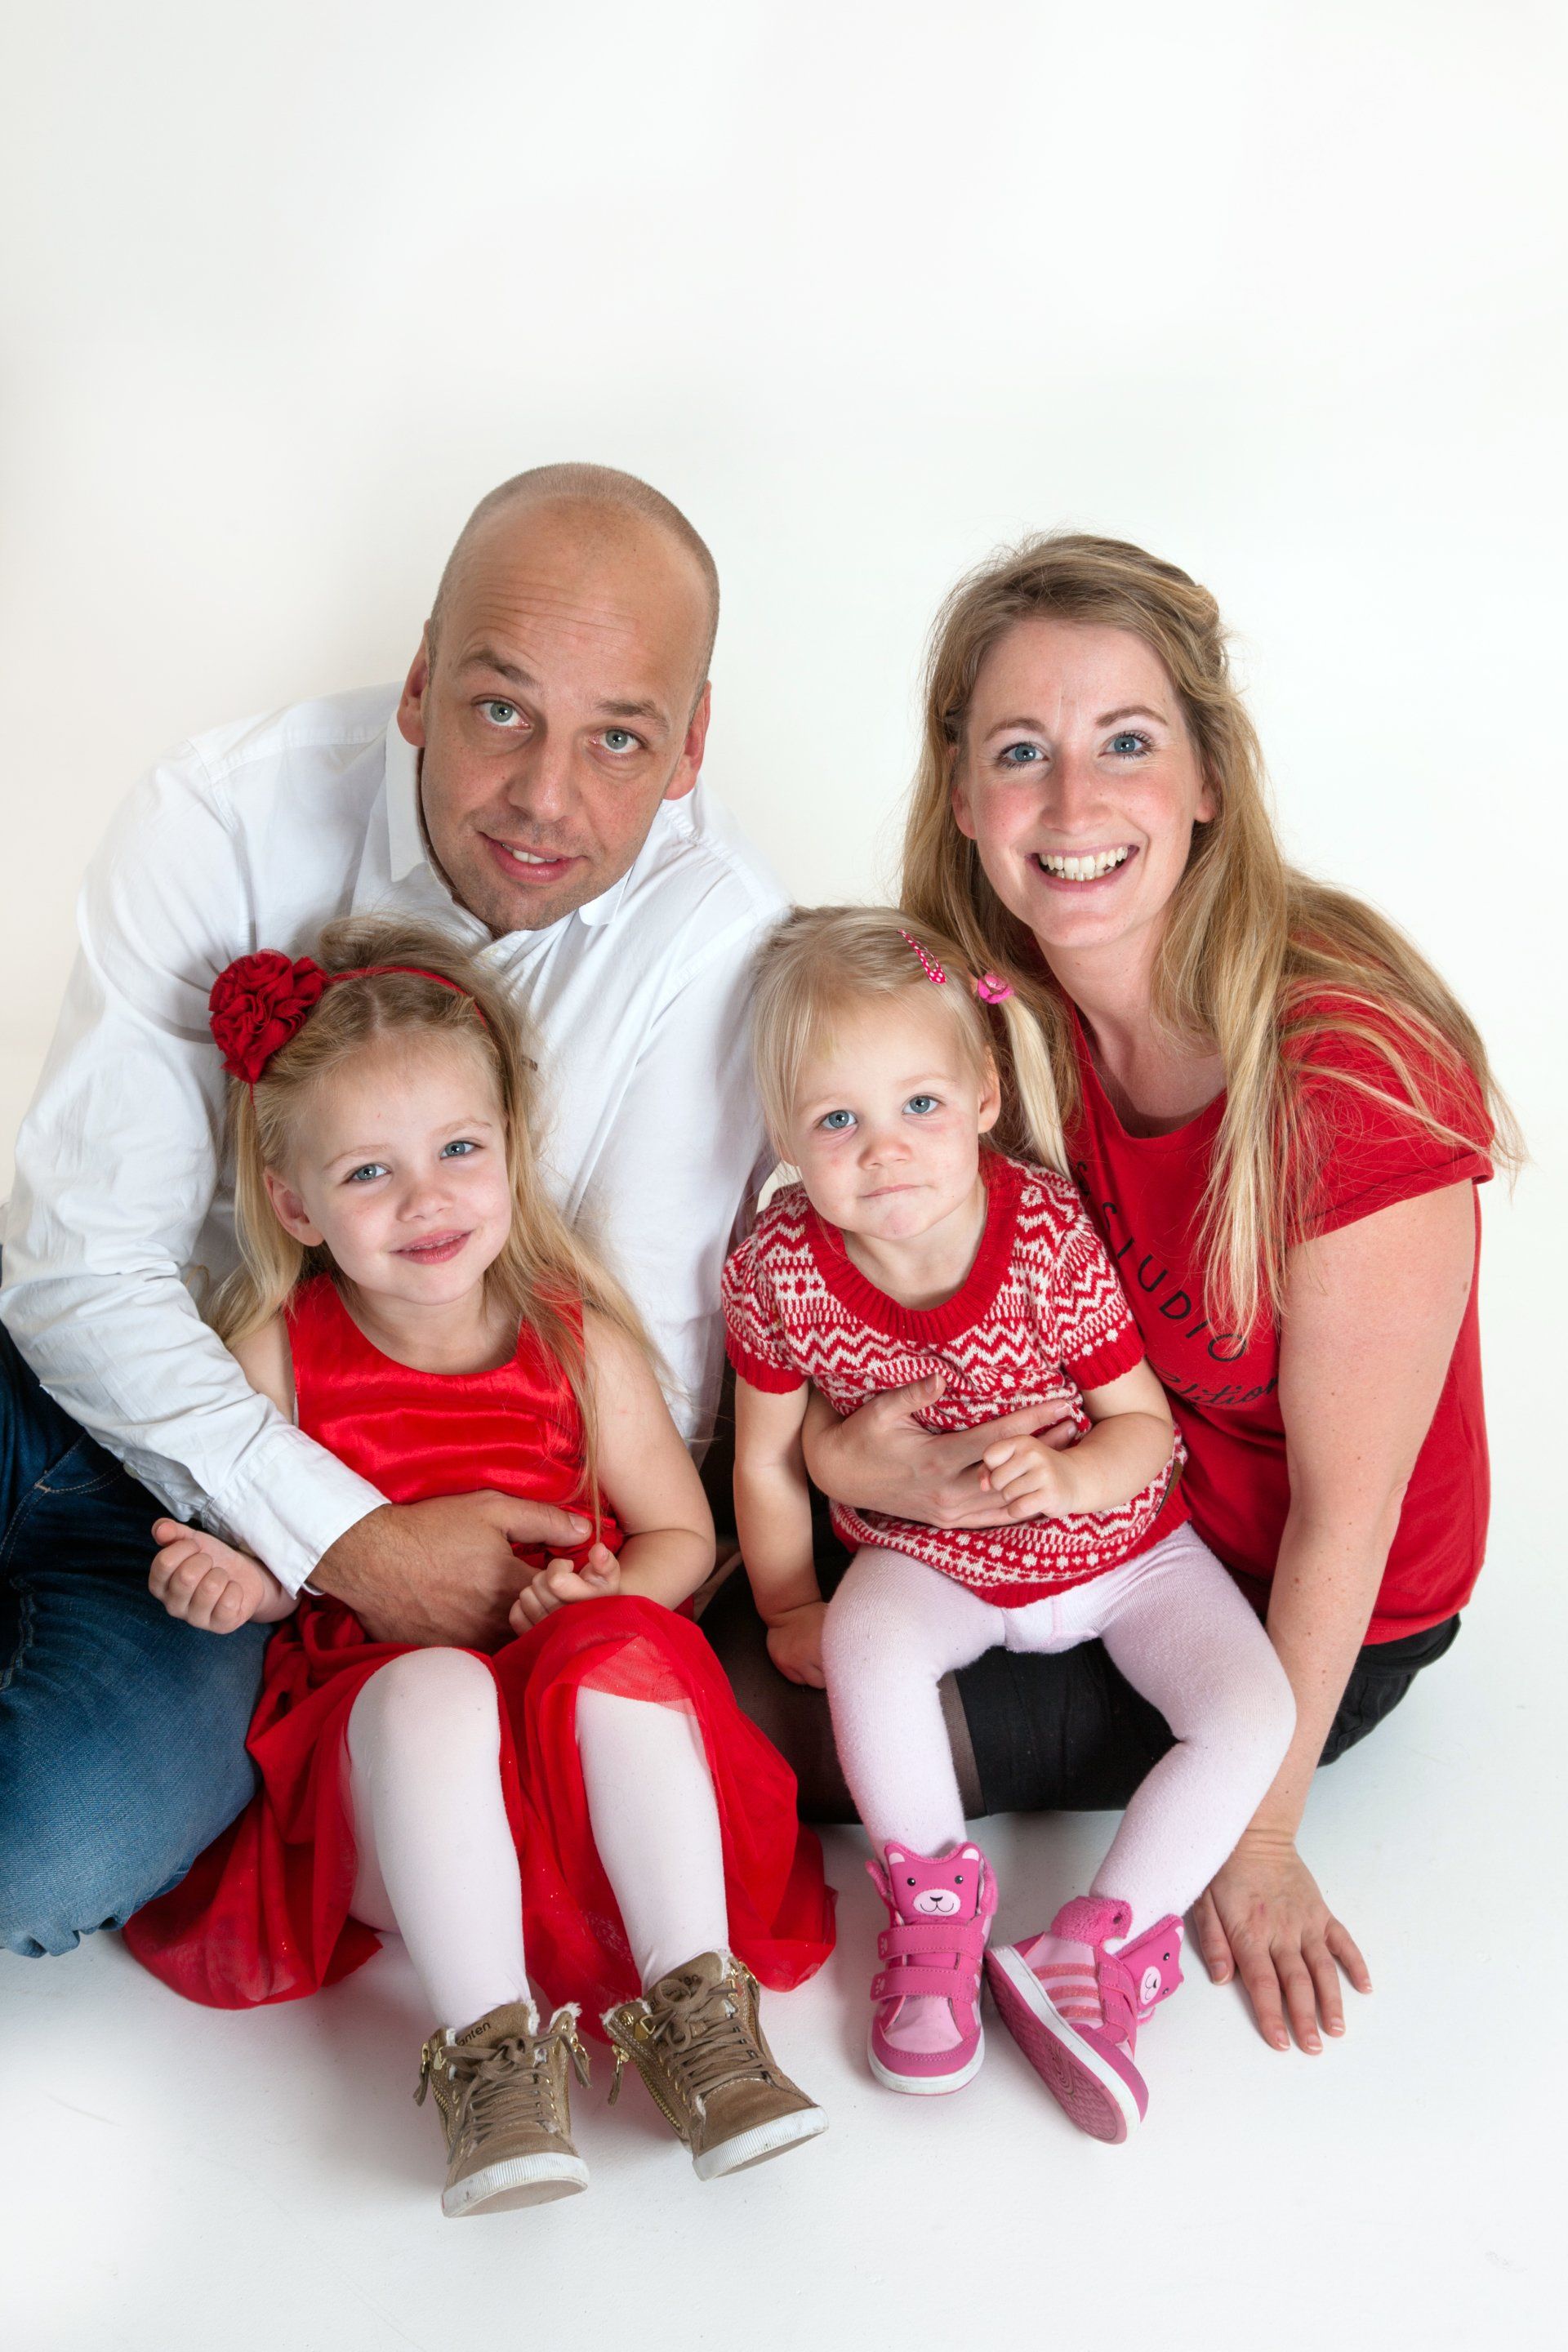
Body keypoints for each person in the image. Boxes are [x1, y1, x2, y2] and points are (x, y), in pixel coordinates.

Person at [710, 532, 1506, 2061]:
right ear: (963, 797)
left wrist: (1256, 1838)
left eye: (1126, 743)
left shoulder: (1350, 1073)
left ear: (1209, 775)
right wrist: (838, 1459)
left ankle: (1066, 1950)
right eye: (1023, 752)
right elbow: (893, 1311)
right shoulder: (1000, 1011)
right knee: (707, 1591)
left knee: (749, 1727)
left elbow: (1346, 1520)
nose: (1073, 806)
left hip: (1281, 1605)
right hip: (1051, 1507)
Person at [0, 463, 786, 1961]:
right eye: (501, 709)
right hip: (107, 1396)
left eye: (619, 738)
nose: (546, 796)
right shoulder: (221, 815)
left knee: (52, 1853)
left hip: (245, 1559)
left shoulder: (721, 933)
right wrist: (341, 1534)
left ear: (690, 748)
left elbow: (639, 1374)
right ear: (420, 684)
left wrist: (401, 1569)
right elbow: (79, 1269)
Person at [122, 916, 832, 2216]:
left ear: (510, 1149)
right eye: (370, 1172)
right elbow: (275, 1555)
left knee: (619, 1651)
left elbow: (682, 1538)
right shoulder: (278, 1352)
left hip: (587, 1796)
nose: (427, 1200)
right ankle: (490, 2055)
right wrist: (241, 1583)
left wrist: (609, 1597)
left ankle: (700, 2011)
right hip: (400, 1797)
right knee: (435, 1686)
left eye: (459, 1150)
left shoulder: (579, 1342)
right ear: (293, 1203)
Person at [720, 906, 1294, 2139]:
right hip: (932, 1555)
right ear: (782, 1135)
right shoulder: (779, 1269)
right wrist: (788, 1603)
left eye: (920, 1106)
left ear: (984, 1096)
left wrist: (1076, 1482)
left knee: (1254, 1709)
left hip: (1124, 1552)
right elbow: (766, 1460)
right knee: (867, 1647)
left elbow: (1140, 1422)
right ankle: (933, 1909)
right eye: (837, 1122)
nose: (885, 1153)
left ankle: (1099, 1947)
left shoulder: (1040, 1232)